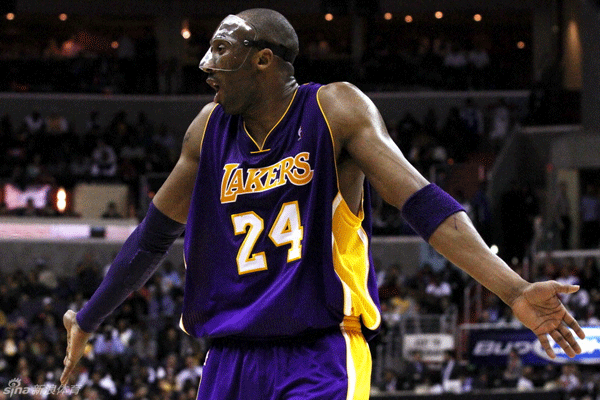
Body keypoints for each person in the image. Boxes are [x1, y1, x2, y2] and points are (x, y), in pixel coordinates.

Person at [62, 9, 585, 399]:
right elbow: (154, 235)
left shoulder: (334, 109)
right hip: (229, 360)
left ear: (263, 60)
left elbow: (423, 204)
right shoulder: (207, 131)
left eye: (221, 51)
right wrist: (88, 317)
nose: (206, 67)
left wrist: (513, 288)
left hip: (319, 353)